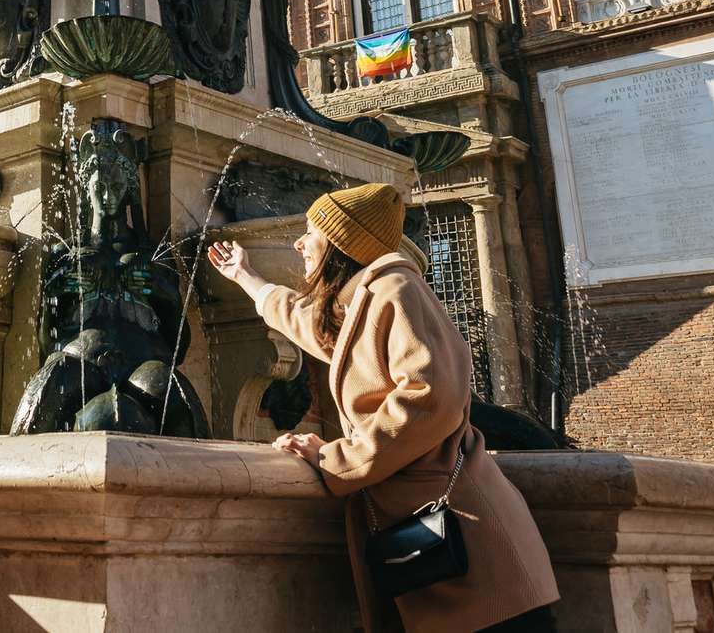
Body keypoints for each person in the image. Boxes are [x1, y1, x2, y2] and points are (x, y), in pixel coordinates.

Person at [209, 183, 560, 633]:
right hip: (440, 544)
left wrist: (334, 457)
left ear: (341, 243)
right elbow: (314, 329)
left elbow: (428, 398)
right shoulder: (364, 300)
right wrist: (246, 277)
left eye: (311, 230)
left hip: (473, 551)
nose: (299, 242)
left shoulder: (397, 290)